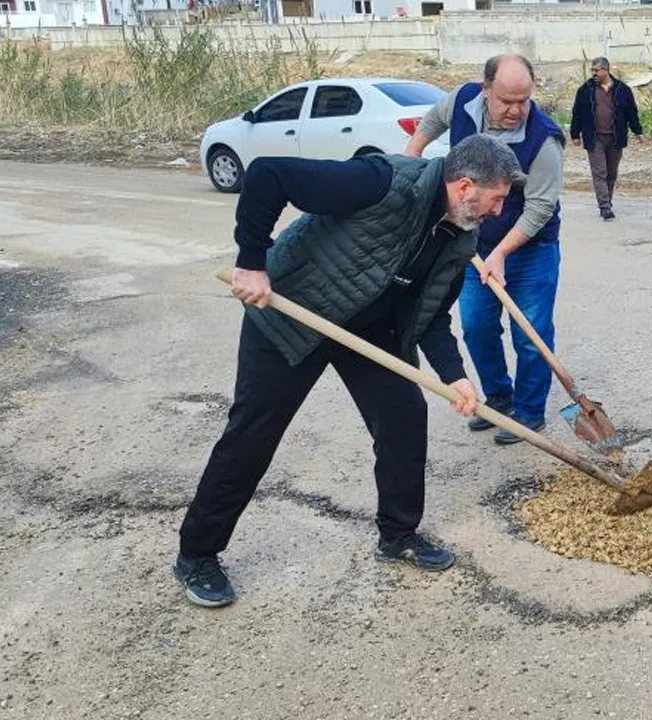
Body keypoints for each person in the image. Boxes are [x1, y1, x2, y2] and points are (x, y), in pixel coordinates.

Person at [173, 134, 525, 608]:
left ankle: (398, 535)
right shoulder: (380, 182)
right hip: (295, 313)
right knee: (254, 432)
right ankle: (197, 554)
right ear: (465, 187)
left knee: (403, 416)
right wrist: (251, 262)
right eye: (497, 199)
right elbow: (269, 175)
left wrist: (454, 375)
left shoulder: (460, 235)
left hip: (369, 329)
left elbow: (432, 315)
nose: (499, 213)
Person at [404, 54, 566, 446]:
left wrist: (502, 254)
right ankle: (499, 399)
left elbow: (541, 207)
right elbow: (432, 120)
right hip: (473, 243)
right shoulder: (461, 101)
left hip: (531, 248)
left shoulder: (544, 138)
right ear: (485, 90)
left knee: (531, 334)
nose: (516, 110)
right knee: (476, 327)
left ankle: (528, 414)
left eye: (524, 100)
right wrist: (412, 154)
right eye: (507, 101)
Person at [569, 56, 643, 220]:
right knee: (599, 172)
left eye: (597, 70)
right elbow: (577, 113)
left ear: (606, 70)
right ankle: (604, 206)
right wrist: (575, 134)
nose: (594, 73)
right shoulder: (585, 90)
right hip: (594, 137)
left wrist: (637, 131)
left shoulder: (622, 90)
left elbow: (631, 112)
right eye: (592, 70)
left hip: (616, 137)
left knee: (611, 173)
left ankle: (607, 200)